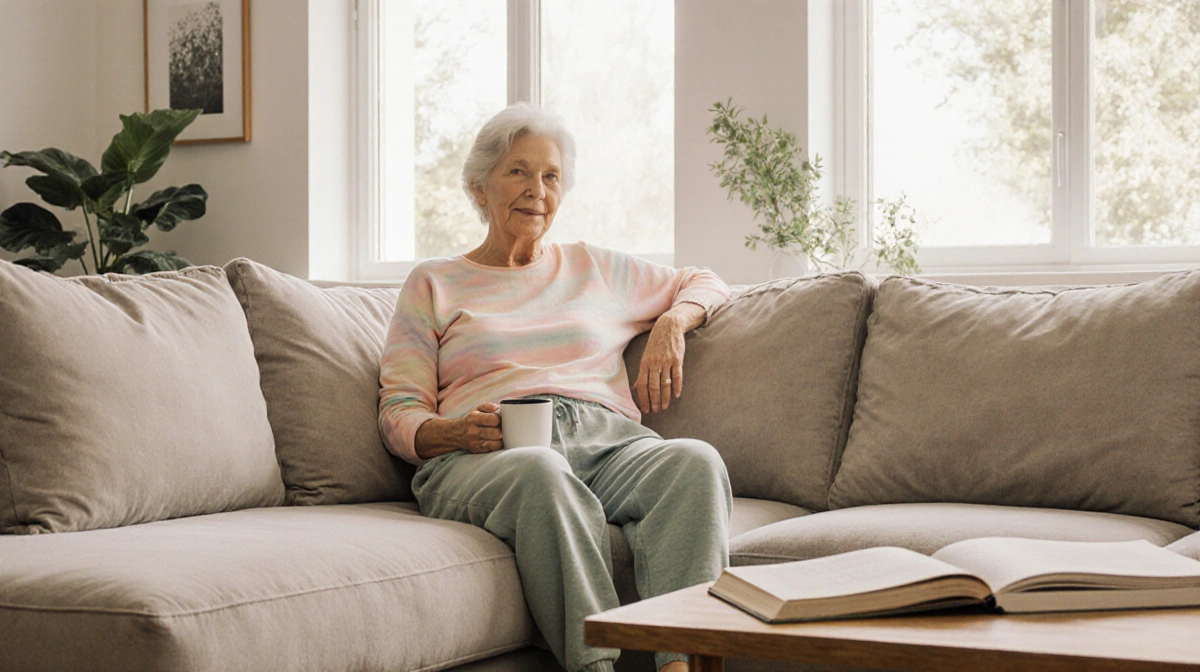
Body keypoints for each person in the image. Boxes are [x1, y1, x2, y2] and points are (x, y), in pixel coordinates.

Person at [379, 102, 733, 672]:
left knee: (694, 462)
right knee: (541, 471)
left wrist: (671, 322)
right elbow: (399, 409)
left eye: (551, 176)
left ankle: (681, 667)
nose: (536, 190)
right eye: (518, 171)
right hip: (491, 452)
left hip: (606, 440)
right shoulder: (433, 283)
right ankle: (595, 667)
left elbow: (705, 280)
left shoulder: (593, 266)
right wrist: (456, 432)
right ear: (479, 187)